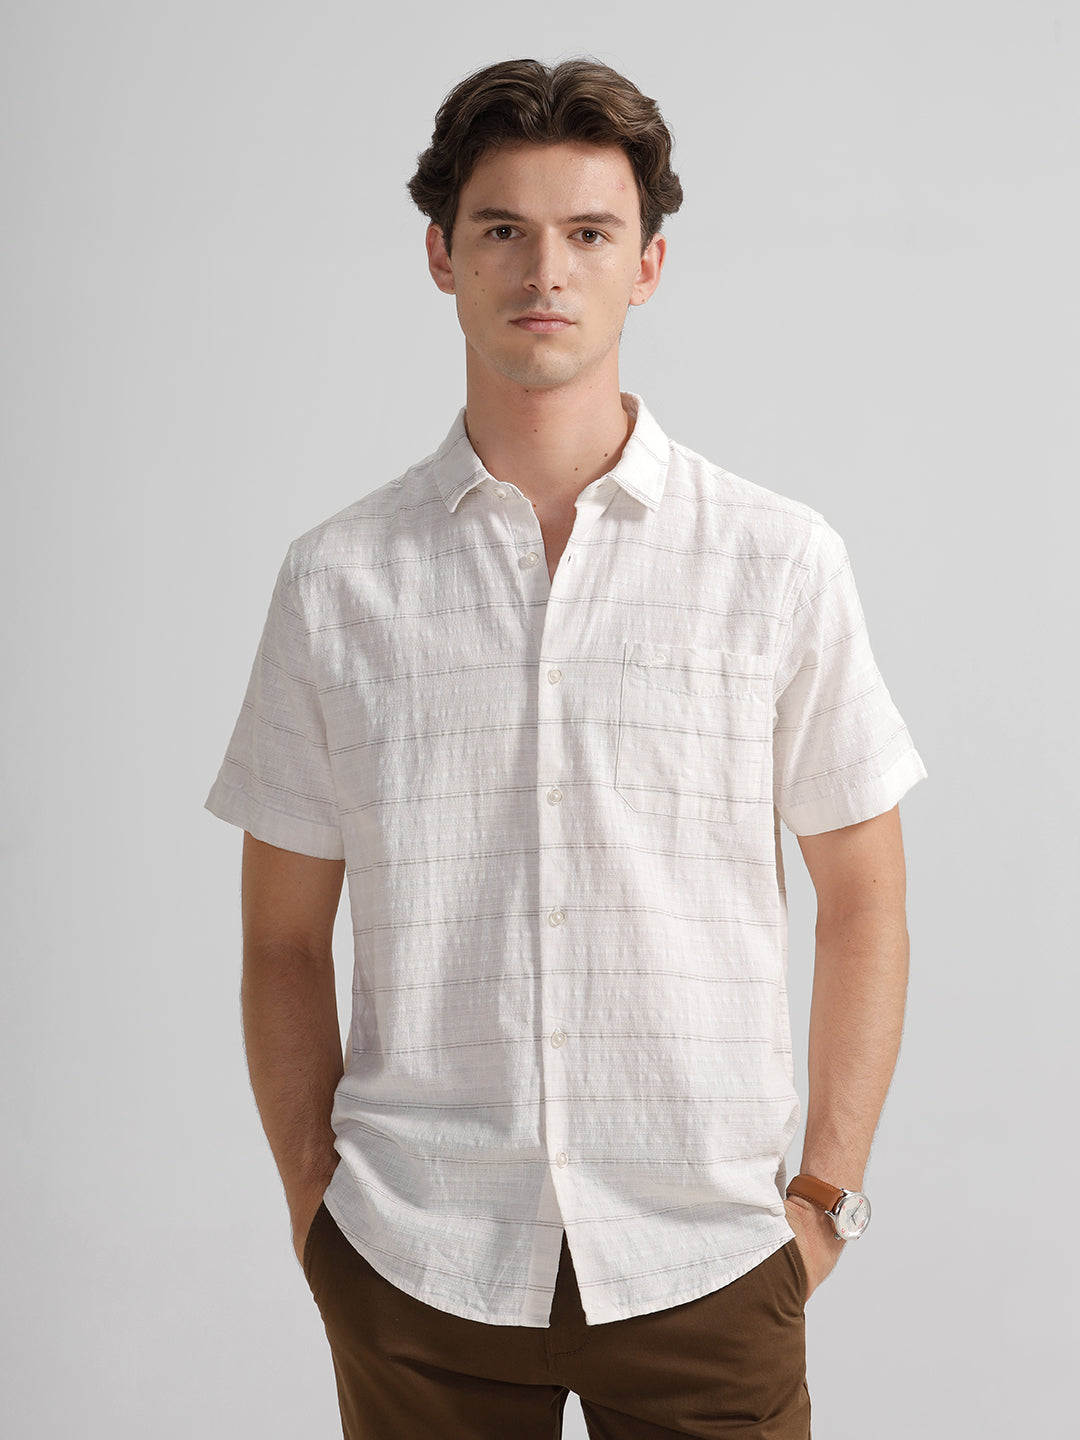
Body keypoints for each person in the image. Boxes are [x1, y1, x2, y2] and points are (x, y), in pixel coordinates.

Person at [206, 56, 926, 1440]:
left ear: (647, 264)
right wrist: (316, 1210)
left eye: (590, 233)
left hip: (709, 1264)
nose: (546, 270)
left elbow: (866, 900)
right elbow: (282, 939)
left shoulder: (777, 562)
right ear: (442, 257)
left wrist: (825, 1202)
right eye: (503, 229)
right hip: (417, 1268)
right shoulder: (336, 581)